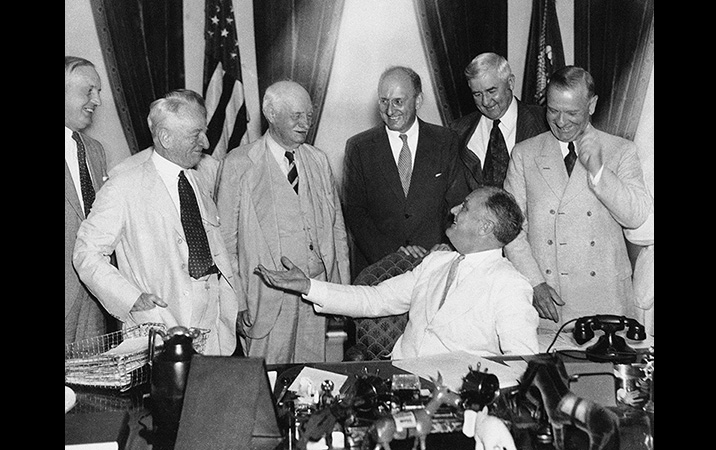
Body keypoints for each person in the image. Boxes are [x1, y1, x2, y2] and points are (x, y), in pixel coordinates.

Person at [255, 186, 540, 359]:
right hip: (398, 382)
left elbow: (522, 364)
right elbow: (373, 299)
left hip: (454, 405)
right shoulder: (436, 263)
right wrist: (308, 286)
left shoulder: (510, 285)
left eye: (464, 207)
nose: (453, 209)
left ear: (486, 227)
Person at [73, 89, 239, 355]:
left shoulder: (199, 180)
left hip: (215, 332)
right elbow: (86, 253)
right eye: (195, 134)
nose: (206, 143)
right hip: (159, 327)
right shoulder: (123, 185)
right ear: (165, 137)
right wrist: (130, 298)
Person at [503, 66, 652, 332]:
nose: (561, 121)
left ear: (592, 105)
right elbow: (512, 230)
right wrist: (534, 283)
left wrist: (598, 171)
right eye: (553, 110)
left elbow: (636, 215)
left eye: (572, 113)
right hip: (549, 302)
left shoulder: (620, 150)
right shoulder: (525, 154)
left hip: (606, 302)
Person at [216, 80, 350, 364]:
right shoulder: (238, 164)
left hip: (316, 295)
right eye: (296, 116)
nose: (305, 124)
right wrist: (236, 304)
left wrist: (341, 292)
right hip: (264, 300)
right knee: (266, 387)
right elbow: (224, 245)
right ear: (271, 113)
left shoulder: (319, 161)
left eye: (309, 116)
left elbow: (337, 230)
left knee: (310, 383)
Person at [343, 66, 469, 279]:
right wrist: (394, 253)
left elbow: (457, 203)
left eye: (398, 101)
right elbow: (356, 214)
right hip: (379, 270)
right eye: (384, 101)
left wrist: (447, 246)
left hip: (434, 266)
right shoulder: (359, 148)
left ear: (418, 101)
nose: (390, 111)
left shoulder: (446, 141)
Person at [65, 56, 113, 344]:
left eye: (98, 92)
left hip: (94, 298)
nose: (96, 100)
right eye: (89, 91)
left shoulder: (95, 150)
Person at [450, 52, 548, 190]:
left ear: (510, 82)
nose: (485, 101)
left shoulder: (544, 122)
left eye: (491, 91)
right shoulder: (458, 131)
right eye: (477, 94)